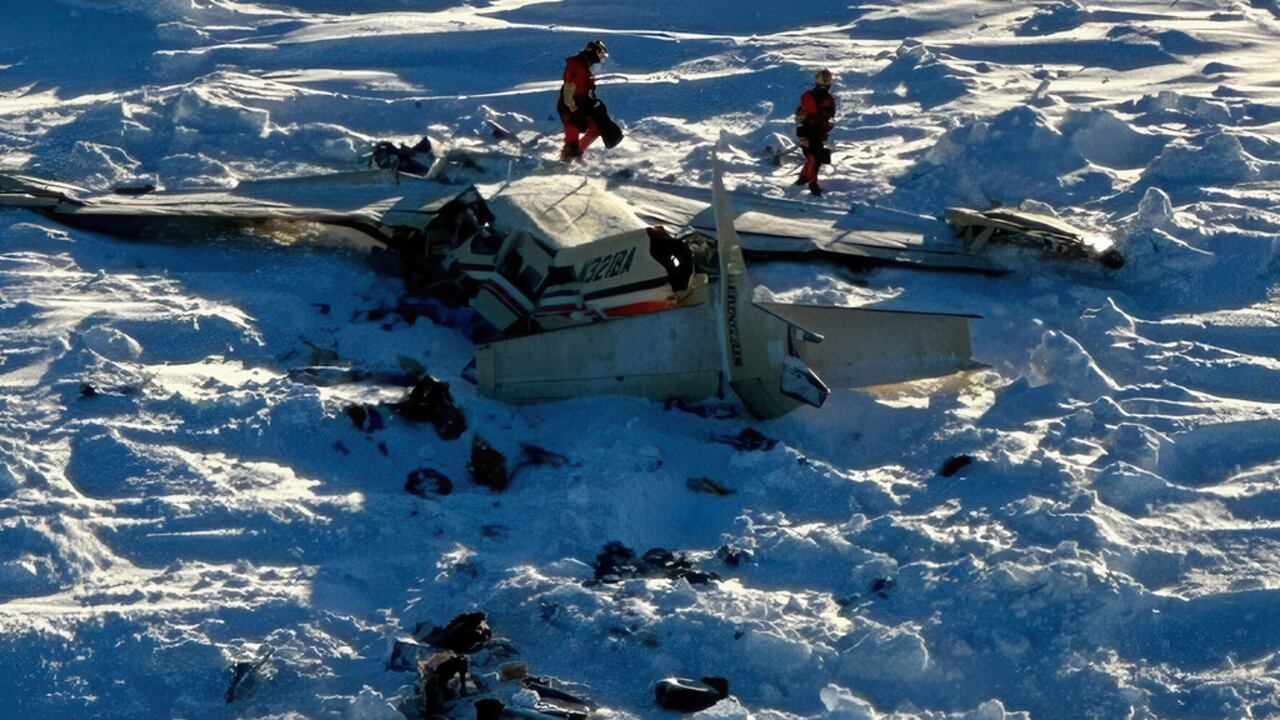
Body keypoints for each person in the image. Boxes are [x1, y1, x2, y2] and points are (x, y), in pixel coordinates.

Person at [558, 40, 609, 162]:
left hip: (582, 105)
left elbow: (587, 88)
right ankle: (566, 161)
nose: (601, 61)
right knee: (572, 144)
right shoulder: (577, 67)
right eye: (601, 57)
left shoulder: (587, 67)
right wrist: (574, 111)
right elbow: (568, 93)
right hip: (570, 109)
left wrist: (593, 103)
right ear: (595, 54)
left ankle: (578, 153)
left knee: (597, 128)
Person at [795, 69, 837, 195]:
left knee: (813, 157)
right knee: (814, 158)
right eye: (822, 82)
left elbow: (831, 116)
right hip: (808, 131)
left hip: (819, 132)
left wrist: (828, 125)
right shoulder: (808, 97)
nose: (824, 85)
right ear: (817, 81)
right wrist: (802, 136)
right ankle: (812, 183)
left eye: (827, 82)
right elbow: (801, 118)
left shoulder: (829, 99)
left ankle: (804, 177)